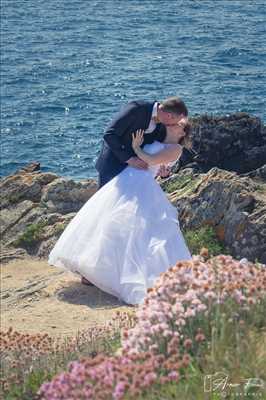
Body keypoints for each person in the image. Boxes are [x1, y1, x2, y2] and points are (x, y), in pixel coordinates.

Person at [48, 120, 192, 306]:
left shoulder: (175, 148)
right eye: (174, 121)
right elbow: (156, 165)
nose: (174, 124)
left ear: (182, 132)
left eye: (179, 124)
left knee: (136, 232)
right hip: (127, 180)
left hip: (141, 185)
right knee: (108, 223)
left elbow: (150, 161)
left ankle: (124, 277)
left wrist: (136, 148)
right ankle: (92, 273)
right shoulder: (157, 137)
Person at [95, 96, 188, 187]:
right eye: (176, 121)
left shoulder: (163, 126)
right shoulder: (136, 109)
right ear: (169, 116)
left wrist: (164, 173)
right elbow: (109, 134)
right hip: (112, 166)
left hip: (137, 177)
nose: (175, 124)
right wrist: (130, 159)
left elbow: (161, 155)